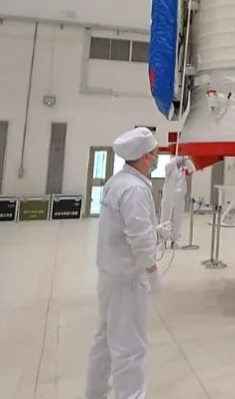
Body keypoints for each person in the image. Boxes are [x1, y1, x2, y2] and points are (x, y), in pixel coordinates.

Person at [86, 127, 161, 399]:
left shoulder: (117, 182)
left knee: (105, 340)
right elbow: (140, 239)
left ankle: (95, 393)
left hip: (109, 275)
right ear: (144, 157)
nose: (156, 158)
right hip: (128, 280)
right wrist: (152, 271)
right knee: (130, 348)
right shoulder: (135, 190)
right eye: (154, 154)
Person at [159, 156, 193, 248]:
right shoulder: (170, 168)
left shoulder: (183, 169)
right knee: (165, 218)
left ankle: (174, 241)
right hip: (168, 197)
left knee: (177, 219)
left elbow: (192, 169)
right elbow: (168, 165)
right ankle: (163, 241)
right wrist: (176, 160)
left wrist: (186, 160)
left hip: (179, 198)